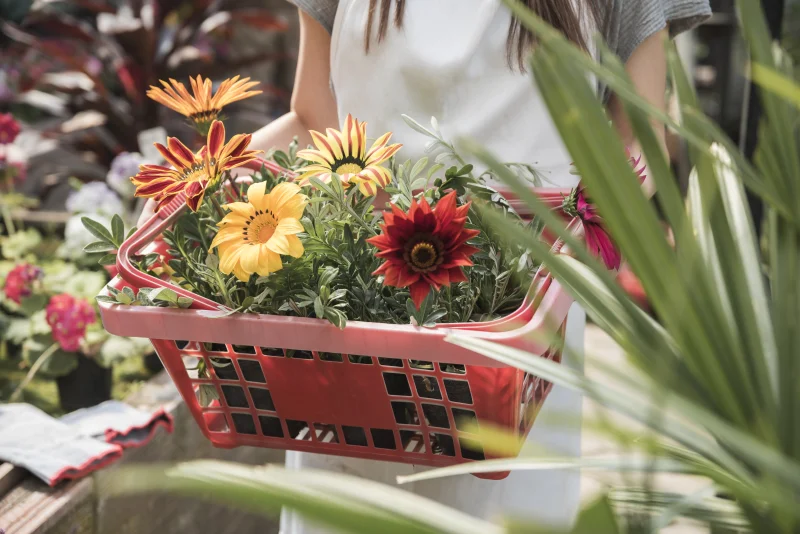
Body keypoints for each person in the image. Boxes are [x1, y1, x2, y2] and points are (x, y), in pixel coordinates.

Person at [140, 0, 711, 530]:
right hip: (354, 314)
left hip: (518, 334)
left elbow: (639, 143)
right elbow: (315, 118)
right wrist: (201, 180)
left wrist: (572, 228)